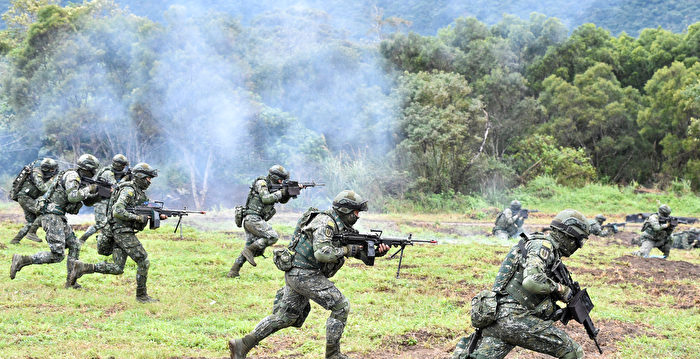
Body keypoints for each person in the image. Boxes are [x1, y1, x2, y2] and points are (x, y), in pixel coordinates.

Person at [227, 190, 390, 359]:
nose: (358, 216)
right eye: (356, 212)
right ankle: (333, 355)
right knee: (341, 306)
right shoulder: (325, 223)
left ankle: (242, 344)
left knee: (286, 317)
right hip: (303, 274)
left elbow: (358, 252)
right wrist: (348, 249)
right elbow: (322, 253)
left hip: (298, 273)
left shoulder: (340, 225)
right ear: (345, 210)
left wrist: (376, 252)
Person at [453, 209, 590, 359]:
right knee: (573, 352)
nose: (578, 246)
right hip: (514, 319)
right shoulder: (543, 247)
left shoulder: (545, 250)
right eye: (579, 241)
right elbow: (532, 281)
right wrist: (561, 289)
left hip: (497, 318)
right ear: (569, 236)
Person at [68, 163, 164, 303]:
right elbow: (117, 210)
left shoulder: (137, 191)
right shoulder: (129, 190)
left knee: (117, 268)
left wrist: (158, 215)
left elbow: (145, 207)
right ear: (140, 177)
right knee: (143, 260)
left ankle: (82, 267)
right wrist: (138, 218)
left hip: (118, 231)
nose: (149, 182)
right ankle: (141, 296)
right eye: (148, 178)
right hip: (121, 232)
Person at [10, 154, 100, 288]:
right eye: (94, 170)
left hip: (57, 216)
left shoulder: (79, 178)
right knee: (57, 255)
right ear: (89, 169)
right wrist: (89, 189)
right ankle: (22, 260)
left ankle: (71, 282)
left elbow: (86, 202)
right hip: (51, 216)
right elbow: (73, 196)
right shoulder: (72, 176)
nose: (94, 173)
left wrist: (99, 194)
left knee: (75, 245)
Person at [227, 165, 295, 277]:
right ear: (274, 177)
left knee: (249, 246)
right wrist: (281, 192)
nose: (281, 182)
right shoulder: (262, 183)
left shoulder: (272, 185)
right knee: (272, 237)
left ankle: (234, 271)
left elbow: (282, 201)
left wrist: (289, 192)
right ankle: (249, 250)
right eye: (280, 180)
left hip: (253, 220)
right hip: (253, 219)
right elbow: (266, 199)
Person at [79, 154, 130, 243]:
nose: (124, 167)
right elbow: (116, 187)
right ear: (118, 165)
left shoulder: (118, 173)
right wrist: (125, 178)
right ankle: (83, 239)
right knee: (101, 223)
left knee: (108, 223)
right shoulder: (107, 172)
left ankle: (101, 238)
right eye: (122, 165)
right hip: (100, 200)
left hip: (109, 201)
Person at [9, 158, 58, 244]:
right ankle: (32, 233)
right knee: (44, 212)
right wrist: (52, 180)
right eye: (52, 170)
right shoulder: (36, 173)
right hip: (25, 198)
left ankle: (15, 240)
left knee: (31, 222)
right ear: (47, 169)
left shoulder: (43, 173)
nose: (53, 171)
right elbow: (43, 188)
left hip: (27, 198)